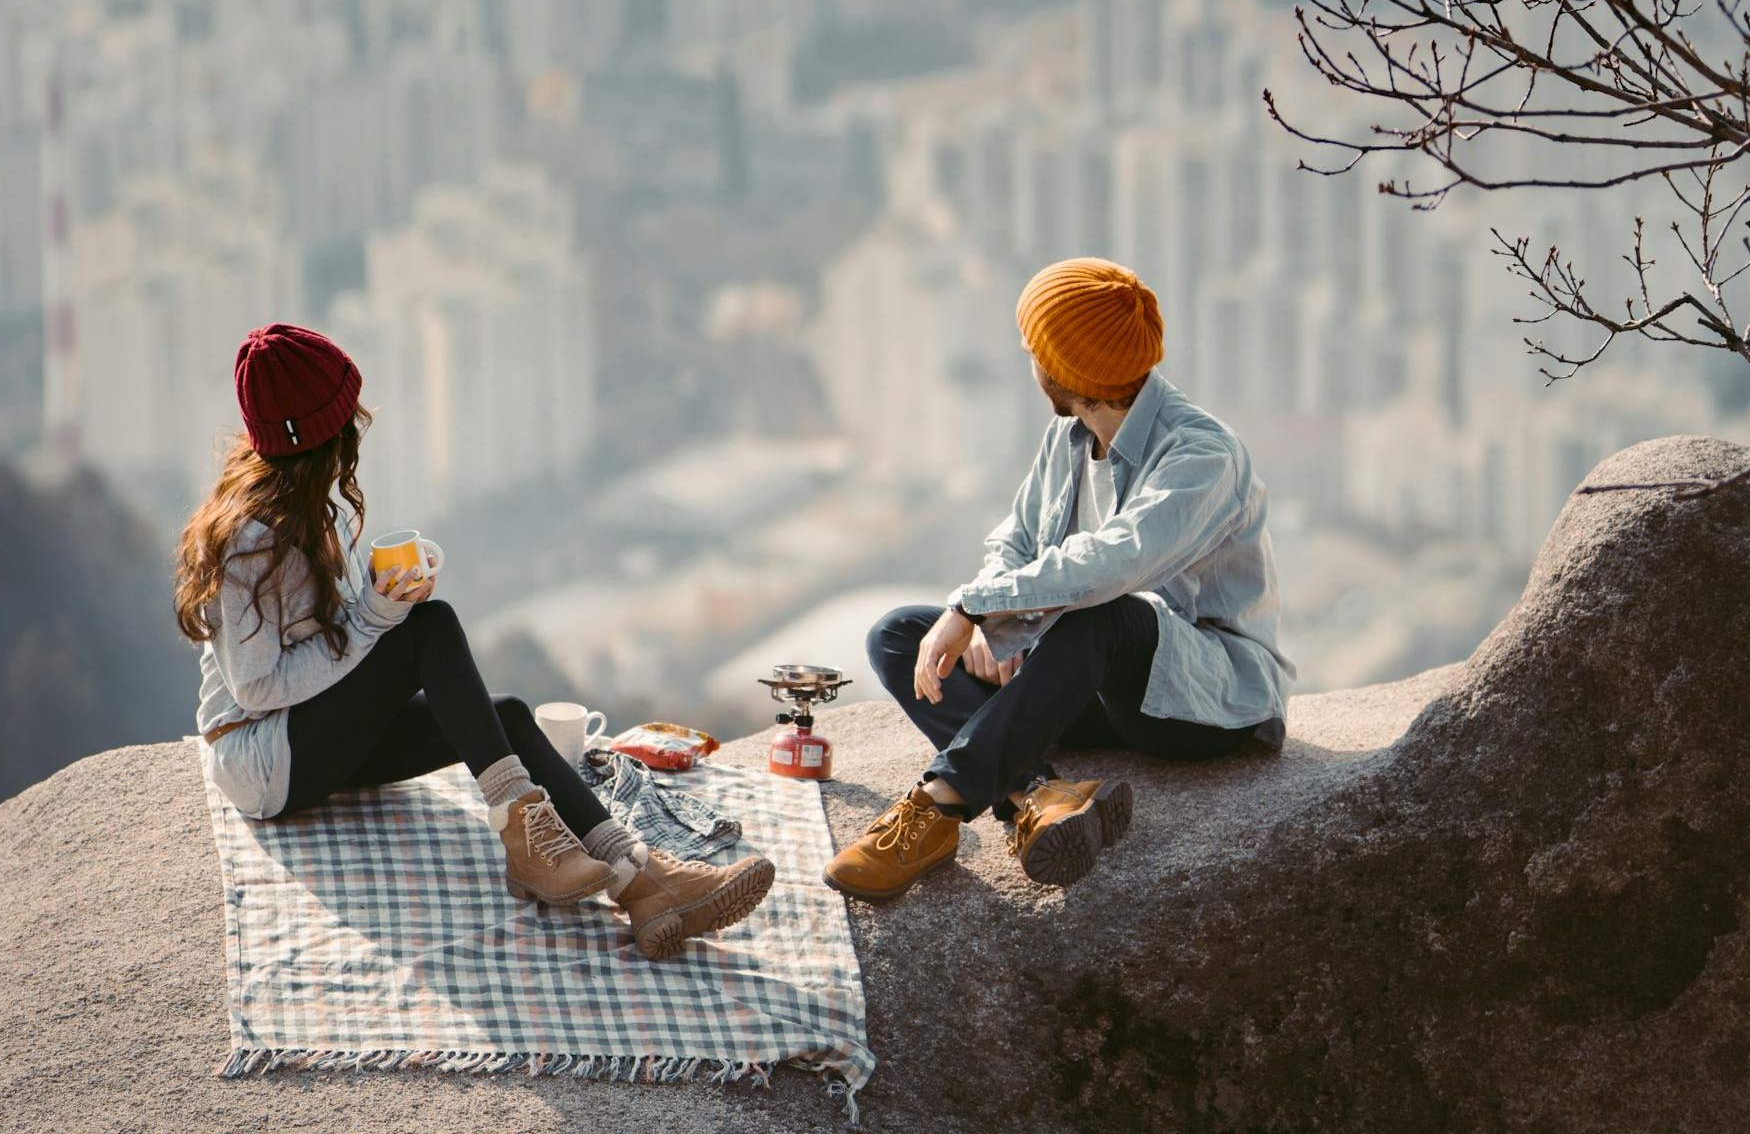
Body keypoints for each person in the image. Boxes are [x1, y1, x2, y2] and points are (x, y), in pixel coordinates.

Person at [174, 323, 774, 959]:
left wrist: (375, 598)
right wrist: (378, 617)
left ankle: (642, 882)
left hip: (305, 737)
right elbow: (259, 687)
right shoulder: (251, 539)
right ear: (323, 432)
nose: (358, 425)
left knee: (506, 716)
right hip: (264, 758)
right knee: (428, 631)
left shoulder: (295, 505)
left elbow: (319, 637)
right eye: (347, 414)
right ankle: (527, 839)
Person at [824, 258, 1295, 901]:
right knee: (900, 634)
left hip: (1207, 704)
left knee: (1106, 611)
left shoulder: (1200, 454)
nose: (1028, 361)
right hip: (1091, 685)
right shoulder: (1068, 436)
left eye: (1034, 349)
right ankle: (1037, 795)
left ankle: (938, 808)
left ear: (1066, 369)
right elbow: (1014, 540)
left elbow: (1114, 564)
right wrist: (987, 624)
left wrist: (982, 608)